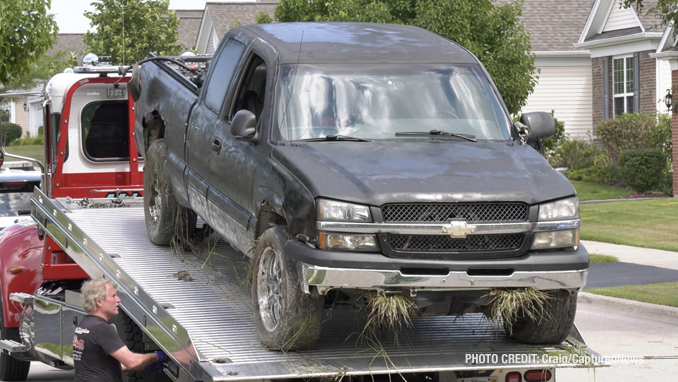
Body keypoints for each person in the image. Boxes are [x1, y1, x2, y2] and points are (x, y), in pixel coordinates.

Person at [73, 279, 167, 382]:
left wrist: (145, 365)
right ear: (99, 301)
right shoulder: (101, 328)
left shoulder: (84, 325)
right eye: (113, 296)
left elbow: (100, 365)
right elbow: (132, 361)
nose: (118, 300)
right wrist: (158, 356)